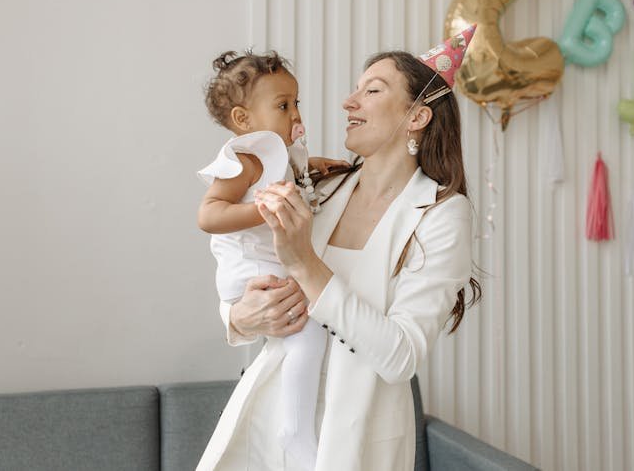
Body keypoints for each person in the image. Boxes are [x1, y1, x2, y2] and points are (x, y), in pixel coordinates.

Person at [197, 27, 482, 471]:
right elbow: (246, 258)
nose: (349, 102)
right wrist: (239, 317)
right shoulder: (323, 190)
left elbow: (401, 356)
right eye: (355, 89)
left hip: (354, 443)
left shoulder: (442, 213)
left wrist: (306, 265)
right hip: (269, 430)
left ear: (417, 116)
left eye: (372, 90)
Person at [197, 49, 348, 469]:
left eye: (296, 102)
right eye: (283, 105)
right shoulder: (245, 158)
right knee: (308, 334)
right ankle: (293, 430)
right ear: (244, 120)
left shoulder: (279, 152)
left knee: (308, 333)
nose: (295, 113)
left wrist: (314, 168)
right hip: (252, 268)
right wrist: (263, 208)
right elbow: (209, 214)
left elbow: (290, 177)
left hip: (271, 262)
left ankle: (297, 427)